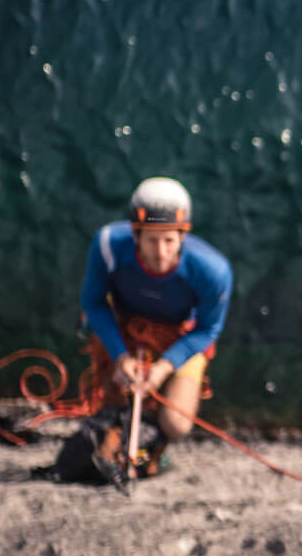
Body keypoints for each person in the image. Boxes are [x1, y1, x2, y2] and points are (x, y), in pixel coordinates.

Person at [75, 176, 233, 478]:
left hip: (180, 338)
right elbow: (94, 304)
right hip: (126, 329)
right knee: (113, 403)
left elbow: (207, 330)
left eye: (169, 240)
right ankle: (124, 448)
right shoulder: (108, 245)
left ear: (183, 236)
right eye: (151, 239)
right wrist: (121, 357)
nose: (160, 253)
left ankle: (156, 448)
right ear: (135, 235)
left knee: (176, 423)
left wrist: (163, 368)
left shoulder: (213, 271)